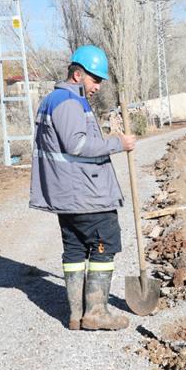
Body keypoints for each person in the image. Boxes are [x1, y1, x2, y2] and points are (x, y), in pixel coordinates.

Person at [29, 45, 137, 331]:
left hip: (68, 196)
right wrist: (118, 143)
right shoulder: (68, 103)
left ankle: (76, 314)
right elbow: (77, 145)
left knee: (75, 251)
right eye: (95, 80)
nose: (98, 87)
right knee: (103, 246)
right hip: (87, 195)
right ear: (78, 75)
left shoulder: (52, 100)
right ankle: (97, 312)